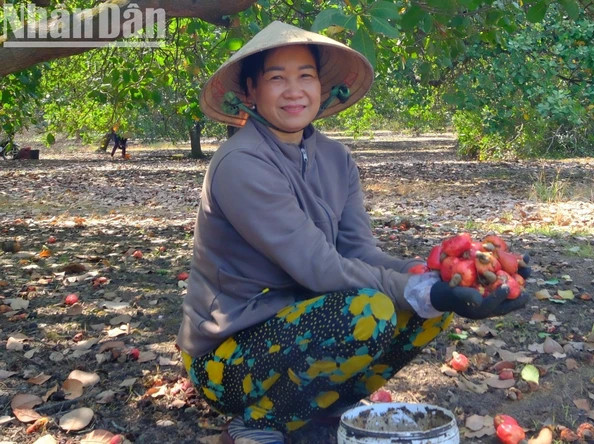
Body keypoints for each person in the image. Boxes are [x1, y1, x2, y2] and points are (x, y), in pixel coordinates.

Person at [177, 21, 531, 444]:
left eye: (305, 76)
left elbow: (359, 251)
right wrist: (422, 289)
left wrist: (441, 275)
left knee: (427, 311)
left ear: (322, 87)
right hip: (226, 362)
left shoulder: (335, 158)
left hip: (299, 330)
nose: (294, 90)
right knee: (373, 310)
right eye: (277, 78)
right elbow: (319, 267)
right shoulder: (241, 164)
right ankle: (260, 421)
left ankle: (325, 410)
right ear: (250, 91)